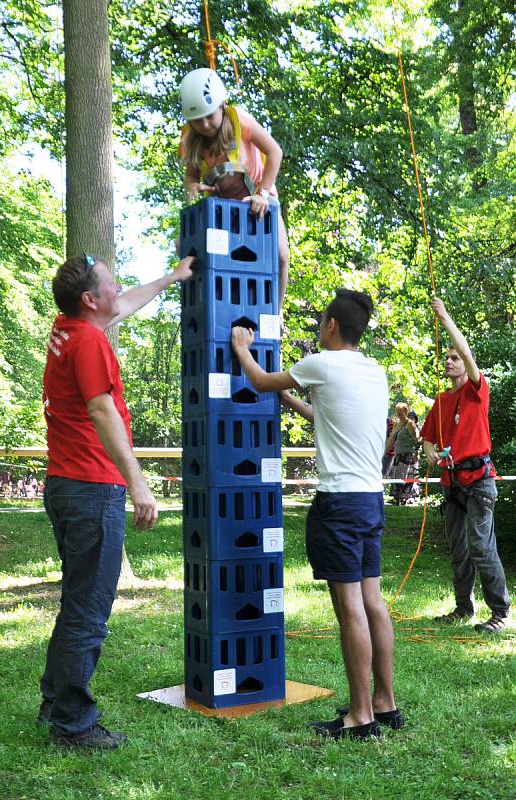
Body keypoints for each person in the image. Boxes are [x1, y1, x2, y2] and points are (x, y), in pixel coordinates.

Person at [38, 251, 194, 750]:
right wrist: (138, 483)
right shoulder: (89, 342)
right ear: (90, 299)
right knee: (88, 612)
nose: (118, 286)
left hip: (65, 485)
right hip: (91, 489)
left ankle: (54, 705)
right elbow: (102, 410)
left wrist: (172, 277)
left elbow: (125, 302)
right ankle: (74, 724)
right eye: (109, 281)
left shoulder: (70, 327)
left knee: (76, 603)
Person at [231, 289, 402, 741]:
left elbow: (261, 381)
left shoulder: (322, 363)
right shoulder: (374, 371)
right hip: (369, 499)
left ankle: (359, 717)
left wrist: (242, 350)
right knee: (372, 601)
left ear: (330, 326)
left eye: (321, 320)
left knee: (350, 609)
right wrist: (294, 401)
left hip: (339, 505)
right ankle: (385, 704)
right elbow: (332, 418)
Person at [421, 297, 510, 633]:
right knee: (459, 550)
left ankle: (500, 613)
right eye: (446, 357)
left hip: (479, 481)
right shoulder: (441, 402)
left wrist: (444, 318)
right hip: (453, 483)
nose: (449, 360)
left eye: (454, 357)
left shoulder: (477, 391)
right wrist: (430, 451)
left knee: (481, 547)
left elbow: (468, 354)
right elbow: (428, 436)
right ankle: (463, 608)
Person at [178, 67, 289, 308]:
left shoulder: (241, 121)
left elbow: (275, 152)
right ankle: (210, 306)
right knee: (185, 247)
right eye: (197, 120)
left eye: (209, 115)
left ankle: (276, 312)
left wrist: (263, 193)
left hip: (256, 200)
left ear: (222, 105)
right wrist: (193, 187)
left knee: (280, 255)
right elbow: (190, 176)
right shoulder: (189, 140)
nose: (205, 124)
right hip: (222, 209)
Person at [386, 403, 421, 505]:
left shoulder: (410, 424)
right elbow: (391, 440)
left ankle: (405, 498)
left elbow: (417, 440)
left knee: (406, 476)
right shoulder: (396, 424)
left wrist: (416, 453)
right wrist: (383, 452)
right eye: (397, 411)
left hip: (408, 455)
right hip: (398, 454)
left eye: (401, 411)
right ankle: (396, 498)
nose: (398, 413)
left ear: (406, 411)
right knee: (397, 475)